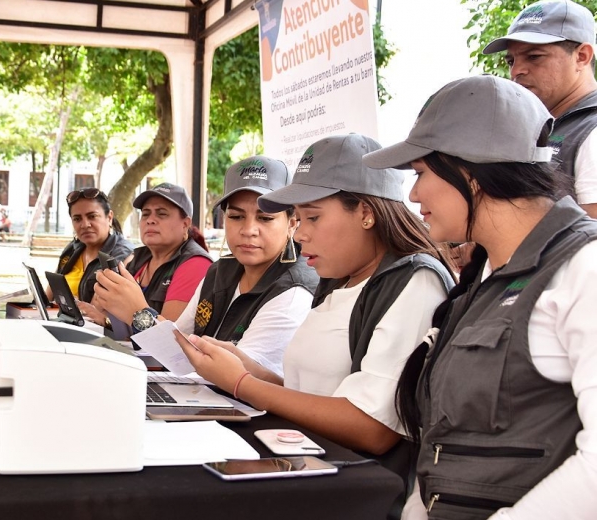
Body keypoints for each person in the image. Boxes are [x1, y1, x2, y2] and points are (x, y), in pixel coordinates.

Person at [175, 137, 454, 506]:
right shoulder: (337, 279)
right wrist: (252, 370)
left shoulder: (414, 281)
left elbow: (374, 427)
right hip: (304, 472)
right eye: (300, 219)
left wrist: (241, 383)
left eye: (313, 217)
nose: (301, 232)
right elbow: (316, 394)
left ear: (366, 213)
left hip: (354, 496)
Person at [366, 75, 597, 519]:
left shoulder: (582, 268)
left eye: (420, 174)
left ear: (469, 172)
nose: (412, 195)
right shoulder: (480, 282)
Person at [164, 156, 320, 379]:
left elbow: (237, 377)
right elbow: (176, 343)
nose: (248, 230)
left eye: (265, 218)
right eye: (236, 216)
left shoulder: (294, 290)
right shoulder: (220, 270)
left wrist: (139, 312)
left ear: (292, 223)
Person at [483, 0, 597, 218]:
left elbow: (591, 241)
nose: (516, 70)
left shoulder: (592, 130)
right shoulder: (543, 127)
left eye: (534, 56)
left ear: (581, 56)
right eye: (511, 61)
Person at [88, 182, 213, 326]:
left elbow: (168, 337)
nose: (150, 220)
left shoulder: (196, 264)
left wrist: (108, 321)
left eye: (162, 214)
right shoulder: (138, 259)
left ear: (185, 224)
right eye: (145, 214)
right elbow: (104, 311)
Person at [54, 187, 134, 303]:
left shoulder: (121, 256)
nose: (85, 225)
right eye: (77, 219)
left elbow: (95, 310)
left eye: (92, 216)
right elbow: (50, 294)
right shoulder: (72, 249)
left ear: (109, 218)